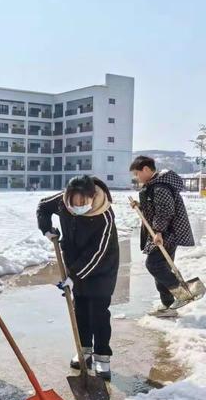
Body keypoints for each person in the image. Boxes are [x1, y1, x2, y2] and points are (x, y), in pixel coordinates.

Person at [37, 175, 119, 380]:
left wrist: (74, 277)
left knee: (98, 312)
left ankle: (102, 356)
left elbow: (97, 253)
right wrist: (46, 229)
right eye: (73, 202)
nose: (77, 207)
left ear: (92, 197)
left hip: (102, 267)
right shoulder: (62, 201)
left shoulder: (105, 215)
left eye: (82, 203)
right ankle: (84, 350)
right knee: (80, 308)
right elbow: (42, 207)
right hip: (74, 260)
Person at [129, 156, 194, 316]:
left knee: (154, 265)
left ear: (145, 169)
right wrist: (140, 206)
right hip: (164, 232)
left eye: (137, 174)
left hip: (167, 233)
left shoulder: (160, 187)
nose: (136, 178)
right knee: (162, 268)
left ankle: (182, 295)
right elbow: (154, 207)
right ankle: (169, 305)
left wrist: (158, 231)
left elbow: (165, 211)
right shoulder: (153, 186)